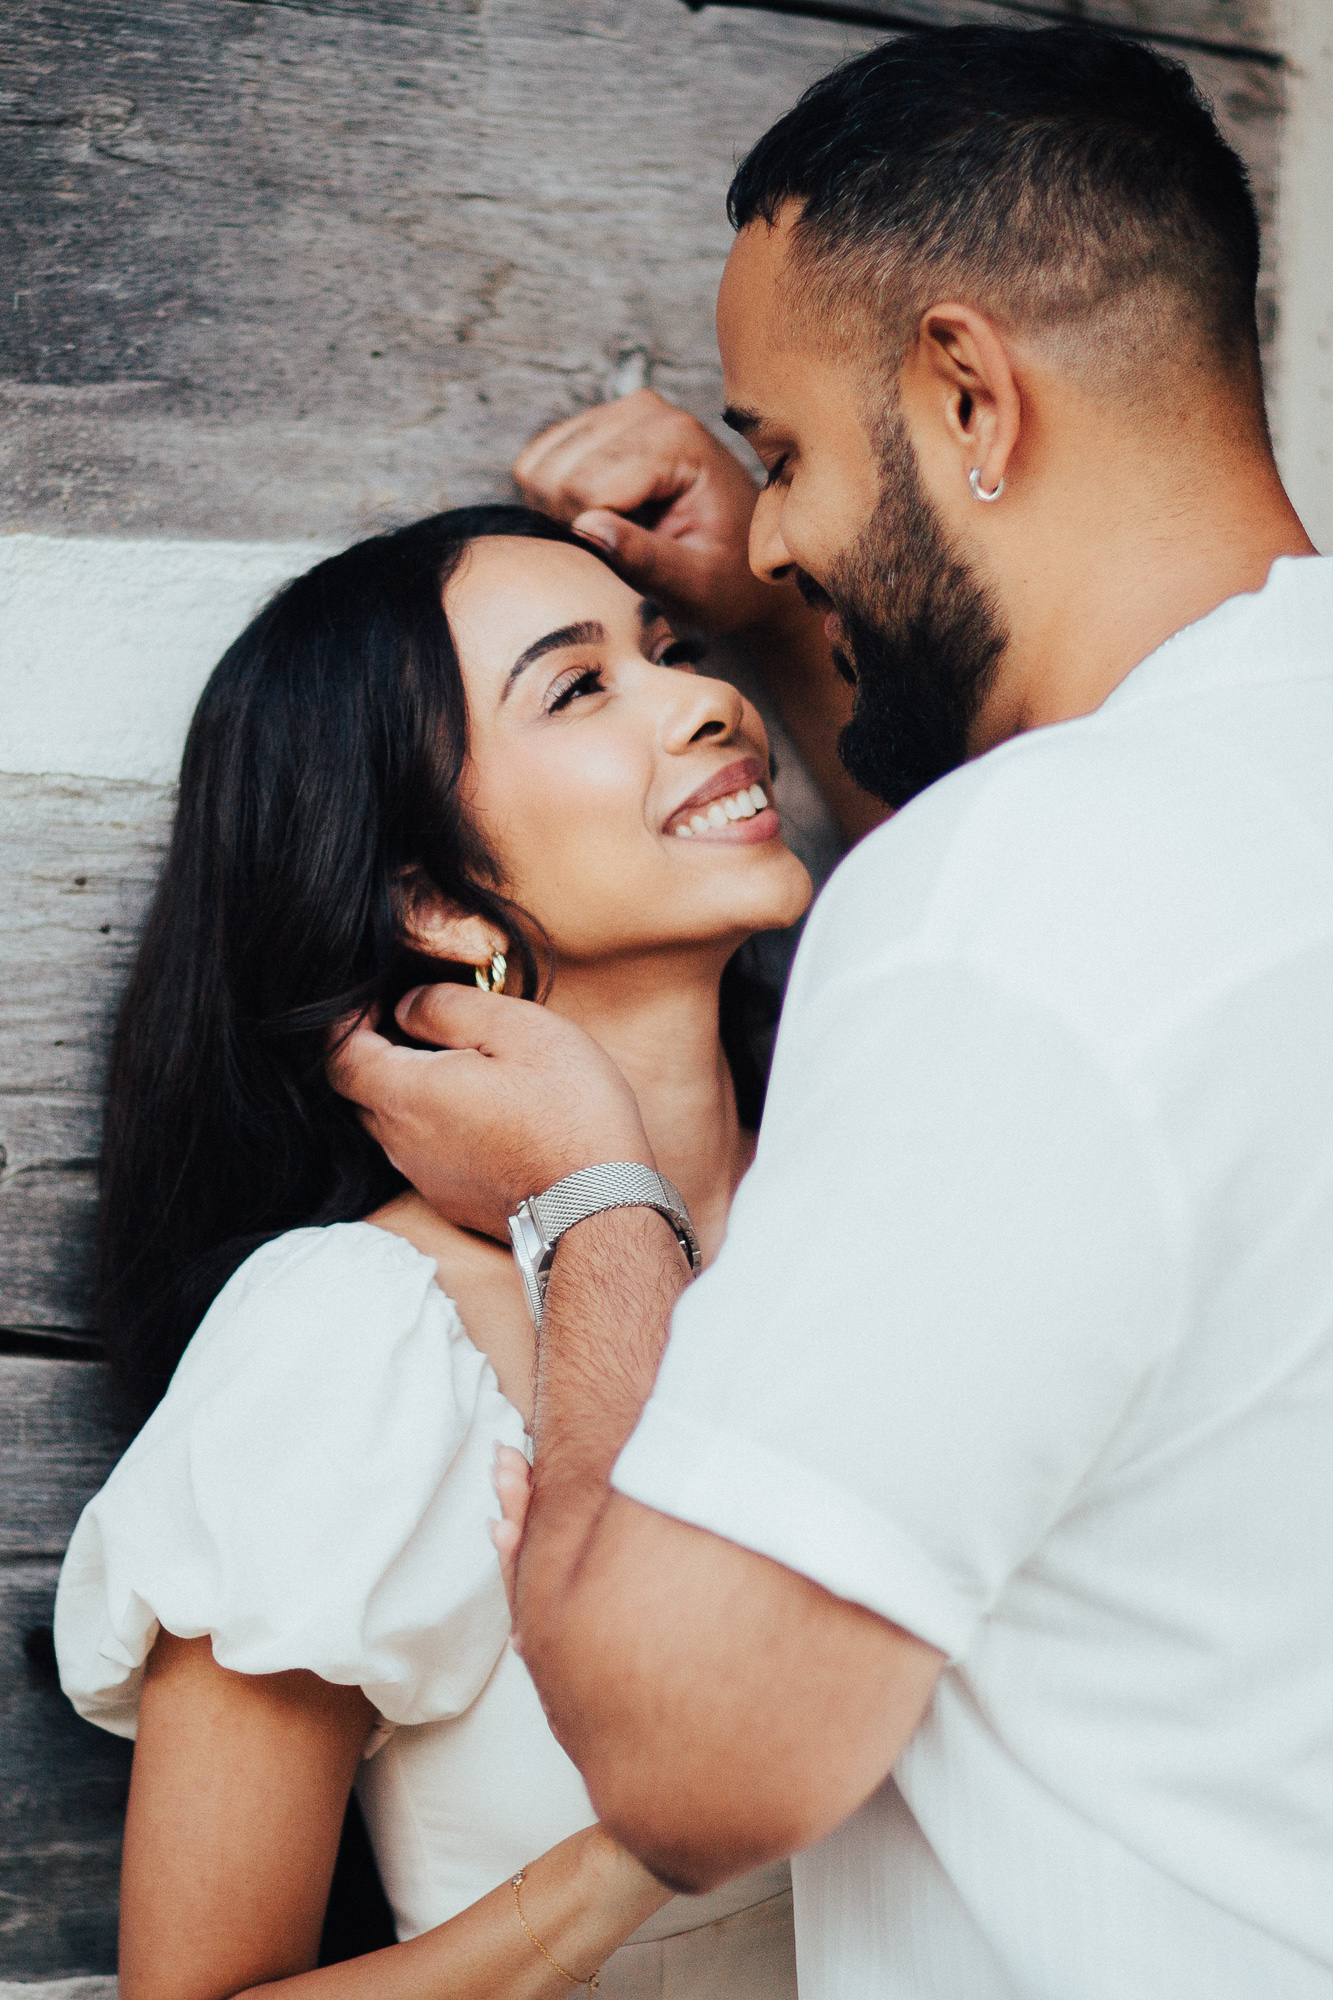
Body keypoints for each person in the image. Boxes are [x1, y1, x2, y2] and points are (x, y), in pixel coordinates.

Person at [331, 26, 1333, 2000]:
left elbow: (694, 1753)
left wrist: (594, 1209)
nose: (766, 539)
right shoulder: (1234, 808)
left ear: (970, 390)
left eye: (781, 452)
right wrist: (815, 651)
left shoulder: (1004, 907)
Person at [52, 503, 831, 1999]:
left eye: (670, 649)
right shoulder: (359, 1338)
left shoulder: (871, 1207)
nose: (706, 696)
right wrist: (644, 1849)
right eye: (579, 684)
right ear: (434, 898)